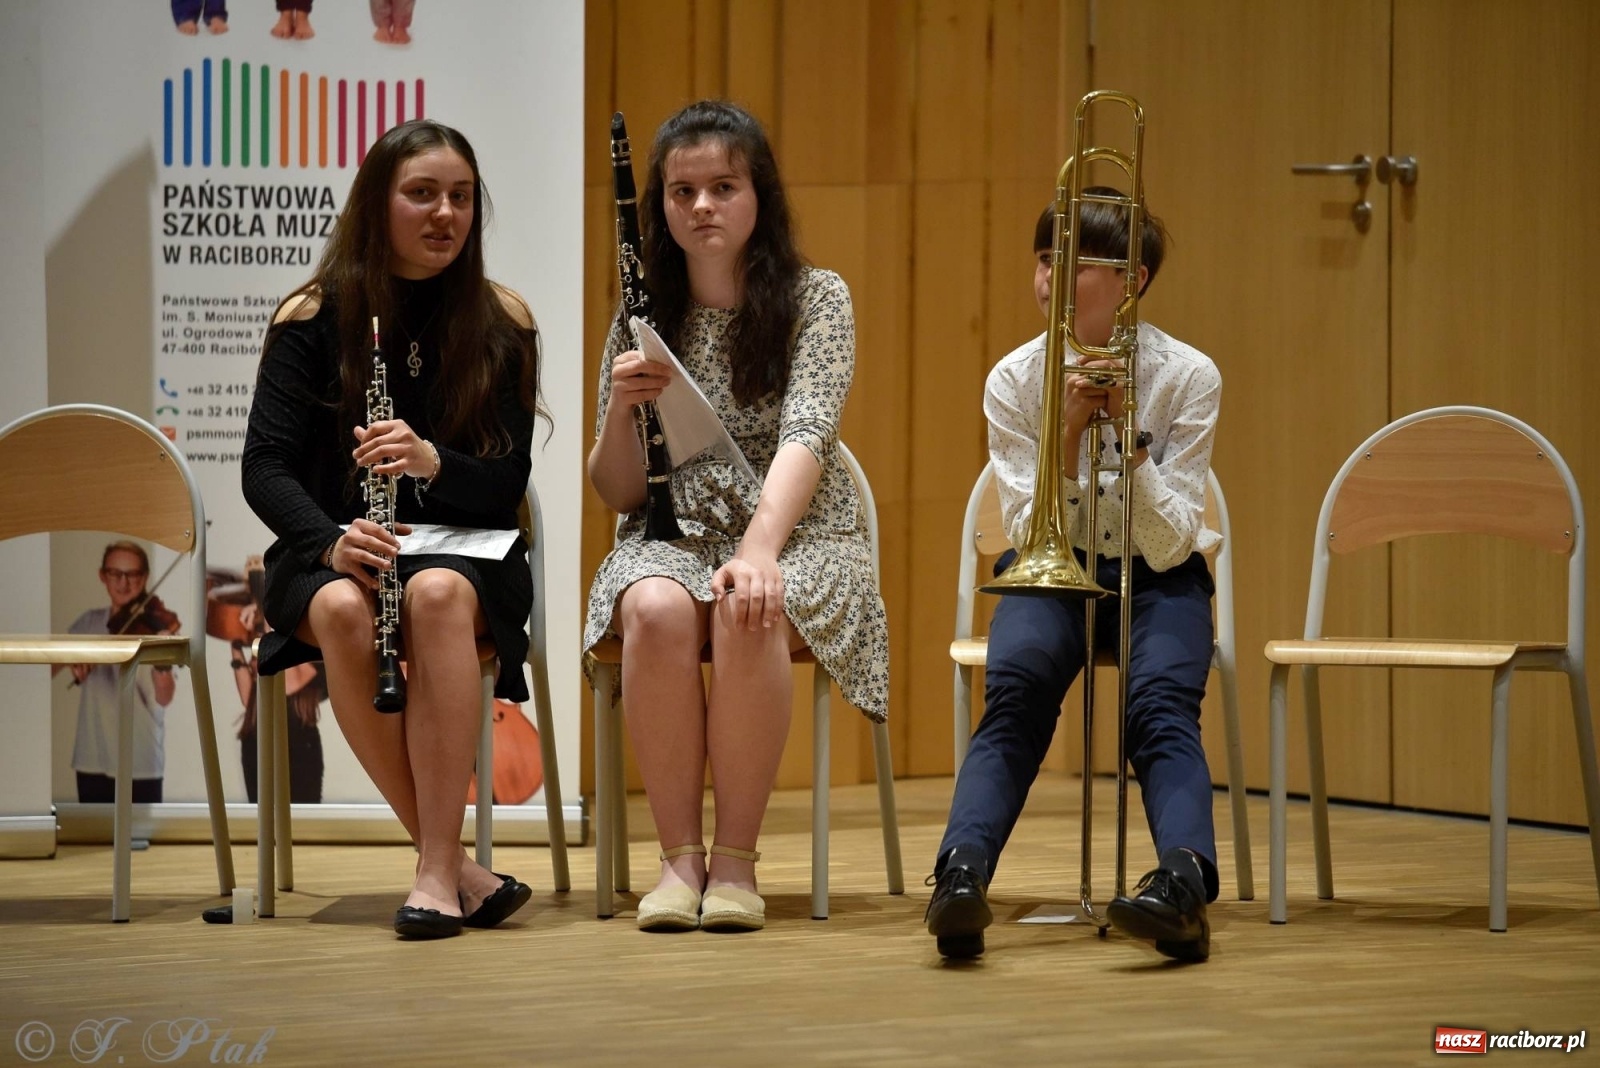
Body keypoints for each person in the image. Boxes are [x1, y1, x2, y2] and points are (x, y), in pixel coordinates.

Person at [584, 100, 889, 933]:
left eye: (724, 186)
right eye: (682, 191)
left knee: (749, 603)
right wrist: (620, 409)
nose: (702, 207)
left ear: (760, 195)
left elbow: (808, 432)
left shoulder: (817, 298)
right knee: (654, 605)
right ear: (660, 204)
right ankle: (678, 859)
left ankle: (735, 862)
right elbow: (617, 491)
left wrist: (758, 551)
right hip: (675, 531)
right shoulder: (643, 311)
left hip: (800, 531)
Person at [242, 118, 543, 940]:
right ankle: (450, 868)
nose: (445, 213)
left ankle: (437, 871)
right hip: (336, 546)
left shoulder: (503, 320)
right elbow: (264, 468)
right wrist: (329, 540)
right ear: (378, 203)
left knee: (436, 594)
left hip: (467, 556)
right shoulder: (312, 316)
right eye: (422, 194)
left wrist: (432, 462)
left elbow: (507, 482)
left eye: (461, 197)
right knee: (341, 606)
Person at [925, 190, 1223, 962]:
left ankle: (1183, 886)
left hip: (1160, 577)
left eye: (1074, 262)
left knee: (1158, 708)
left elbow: (1170, 541)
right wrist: (1065, 432)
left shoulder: (1188, 376)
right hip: (1054, 565)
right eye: (1042, 259)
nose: (1049, 278)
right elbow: (1026, 530)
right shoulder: (1015, 379)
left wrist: (1125, 440)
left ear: (1133, 281)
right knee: (1016, 696)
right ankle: (959, 877)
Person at [56, 542, 178, 804]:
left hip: (141, 760)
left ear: (144, 577)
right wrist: (70, 657)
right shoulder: (88, 623)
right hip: (91, 757)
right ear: (103, 576)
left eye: (132, 574)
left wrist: (163, 662)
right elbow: (47, 668)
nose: (124, 583)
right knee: (94, 831)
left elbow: (165, 697)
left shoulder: (156, 625)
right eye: (115, 573)